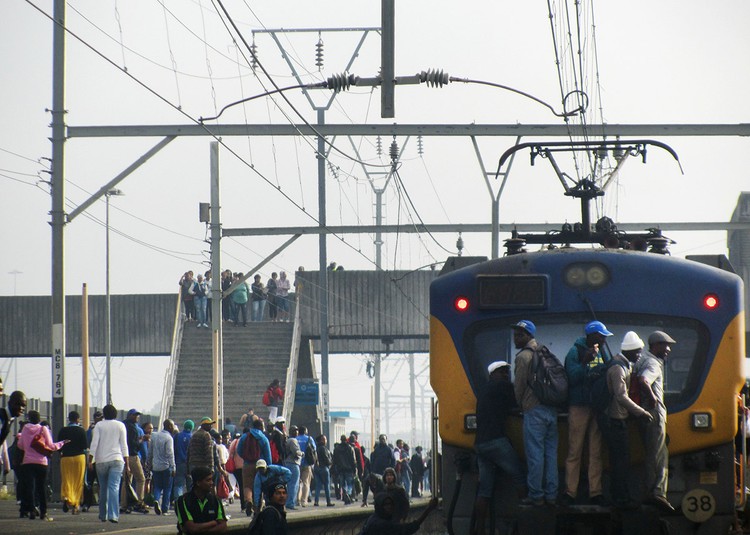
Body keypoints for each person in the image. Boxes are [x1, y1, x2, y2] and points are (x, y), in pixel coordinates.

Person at [597, 331, 654, 509]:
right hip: (613, 420)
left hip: (618, 419)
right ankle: (620, 497)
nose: (639, 356)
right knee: (620, 461)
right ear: (629, 351)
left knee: (620, 460)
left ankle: (620, 495)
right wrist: (641, 412)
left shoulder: (623, 364)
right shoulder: (618, 368)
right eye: (637, 352)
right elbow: (621, 396)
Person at [560, 320, 613, 506]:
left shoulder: (603, 352)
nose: (605, 339)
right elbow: (571, 377)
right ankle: (570, 491)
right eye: (602, 335)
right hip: (579, 405)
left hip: (597, 406)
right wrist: (585, 363)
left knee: (595, 451)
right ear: (591, 336)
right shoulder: (575, 351)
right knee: (575, 450)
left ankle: (595, 491)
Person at [472, 360, 526, 531]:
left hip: (480, 444)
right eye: (501, 371)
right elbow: (517, 406)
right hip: (496, 441)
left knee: (485, 490)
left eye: (506, 371)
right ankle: (527, 517)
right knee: (519, 475)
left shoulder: (483, 390)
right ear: (493, 374)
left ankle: (480, 528)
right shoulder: (503, 387)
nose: (505, 374)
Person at [512, 320, 558, 507]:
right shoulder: (545, 352)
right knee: (551, 456)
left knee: (535, 455)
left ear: (528, 336)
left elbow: (519, 386)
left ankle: (536, 495)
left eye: (519, 335)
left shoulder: (523, 357)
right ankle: (552, 495)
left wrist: (519, 405)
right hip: (551, 410)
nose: (515, 338)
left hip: (534, 410)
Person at [633, 330, 677, 512]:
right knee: (657, 453)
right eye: (665, 345)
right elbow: (644, 381)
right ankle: (656, 492)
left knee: (658, 451)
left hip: (645, 413)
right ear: (655, 346)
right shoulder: (653, 363)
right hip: (654, 412)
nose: (668, 349)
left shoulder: (642, 360)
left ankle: (654, 491)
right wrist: (652, 398)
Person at [18, 410, 66, 520]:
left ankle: (32, 510)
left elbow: (20, 445)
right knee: (41, 487)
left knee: (30, 487)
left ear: (29, 418)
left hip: (28, 462)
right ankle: (43, 512)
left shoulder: (25, 429)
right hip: (41, 463)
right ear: (39, 419)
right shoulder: (43, 429)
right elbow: (50, 445)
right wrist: (62, 443)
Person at [89, 403, 129, 523]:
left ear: (104, 414)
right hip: (117, 460)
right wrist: (127, 463)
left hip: (101, 461)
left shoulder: (99, 426)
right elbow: (124, 445)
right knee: (114, 487)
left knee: (103, 488)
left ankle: (103, 515)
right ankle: (113, 515)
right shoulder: (121, 425)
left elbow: (94, 444)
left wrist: (90, 460)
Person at [175, 466, 227, 534]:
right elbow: (192, 528)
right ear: (198, 483)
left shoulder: (215, 500)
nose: (212, 483)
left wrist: (202, 531)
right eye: (208, 480)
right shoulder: (183, 501)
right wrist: (213, 523)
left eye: (212, 480)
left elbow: (223, 526)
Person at [360, 493, 438, 535]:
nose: (389, 507)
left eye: (390, 504)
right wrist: (428, 510)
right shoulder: (379, 524)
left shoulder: (374, 518)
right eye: (386, 505)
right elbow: (407, 529)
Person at [239, 418, 272, 516]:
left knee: (247, 486)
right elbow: (268, 455)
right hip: (260, 466)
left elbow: (239, 450)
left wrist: (246, 458)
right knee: (259, 486)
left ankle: (248, 501)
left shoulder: (245, 436)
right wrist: (268, 467)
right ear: (260, 426)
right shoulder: (263, 438)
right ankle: (257, 507)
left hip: (247, 464)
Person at [57, 410, 88, 515]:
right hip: (79, 457)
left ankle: (66, 497)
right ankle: (76, 505)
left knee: (67, 480)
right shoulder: (81, 431)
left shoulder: (63, 430)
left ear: (69, 419)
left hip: (66, 458)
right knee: (78, 481)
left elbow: (59, 446)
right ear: (77, 419)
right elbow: (84, 446)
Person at [121, 408, 148, 513]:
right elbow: (134, 444)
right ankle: (139, 502)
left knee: (126, 481)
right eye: (135, 415)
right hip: (132, 456)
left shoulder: (123, 425)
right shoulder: (133, 428)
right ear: (130, 416)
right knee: (141, 479)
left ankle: (124, 504)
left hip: (124, 456)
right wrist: (142, 439)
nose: (137, 417)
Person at [150, 419, 176, 516]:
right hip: (166, 466)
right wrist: (173, 467)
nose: (173, 428)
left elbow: (150, 451)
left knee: (157, 486)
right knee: (167, 488)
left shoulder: (154, 436)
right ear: (169, 426)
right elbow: (170, 454)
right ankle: (165, 509)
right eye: (173, 426)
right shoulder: (169, 438)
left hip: (156, 466)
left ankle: (156, 500)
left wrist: (149, 463)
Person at [333, 434, 357, 504]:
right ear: (346, 440)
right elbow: (353, 459)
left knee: (342, 484)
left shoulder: (337, 448)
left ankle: (345, 493)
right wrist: (354, 468)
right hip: (349, 469)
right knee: (350, 483)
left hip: (340, 469)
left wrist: (336, 467)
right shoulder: (350, 448)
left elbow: (334, 459)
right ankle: (348, 494)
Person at [283, 425, 303, 509]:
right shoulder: (293, 440)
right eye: (295, 430)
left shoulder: (288, 440)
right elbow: (296, 452)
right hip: (293, 463)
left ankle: (289, 502)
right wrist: (302, 453)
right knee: (294, 484)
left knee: (290, 484)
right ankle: (291, 503)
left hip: (288, 463)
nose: (297, 432)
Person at [296, 425, 316, 507]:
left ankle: (297, 500)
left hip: (297, 462)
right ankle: (304, 500)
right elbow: (314, 449)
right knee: (306, 482)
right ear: (305, 431)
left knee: (298, 482)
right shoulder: (309, 439)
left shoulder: (295, 439)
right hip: (307, 463)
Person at [174, 419, 194, 499]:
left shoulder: (177, 436)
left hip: (179, 463)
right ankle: (190, 502)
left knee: (178, 484)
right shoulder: (192, 437)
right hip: (190, 464)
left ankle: (178, 501)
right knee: (191, 485)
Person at [313, 434, 335, 507]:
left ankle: (316, 501)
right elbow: (326, 458)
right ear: (322, 440)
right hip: (323, 468)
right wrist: (330, 463)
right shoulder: (323, 448)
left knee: (318, 486)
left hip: (316, 468)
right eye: (325, 439)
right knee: (326, 485)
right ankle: (328, 501)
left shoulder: (315, 448)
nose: (326, 440)